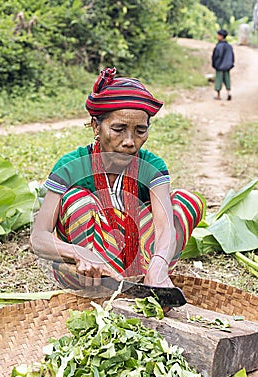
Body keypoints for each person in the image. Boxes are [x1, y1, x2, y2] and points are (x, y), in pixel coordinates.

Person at [30, 67, 203, 291]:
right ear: (95, 126)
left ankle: (151, 282)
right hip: (88, 274)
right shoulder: (71, 166)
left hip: (139, 265)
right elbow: (39, 238)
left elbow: (164, 229)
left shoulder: (151, 166)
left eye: (140, 131)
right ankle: (106, 288)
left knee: (184, 202)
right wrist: (79, 253)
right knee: (78, 199)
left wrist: (158, 266)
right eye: (119, 129)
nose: (129, 141)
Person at [212, 29, 235, 101]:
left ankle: (218, 95)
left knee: (218, 80)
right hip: (227, 66)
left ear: (221, 36)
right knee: (227, 80)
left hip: (219, 66)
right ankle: (228, 93)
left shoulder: (218, 46)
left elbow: (215, 56)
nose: (217, 36)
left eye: (218, 35)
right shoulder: (229, 46)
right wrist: (230, 65)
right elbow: (232, 56)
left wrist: (215, 64)